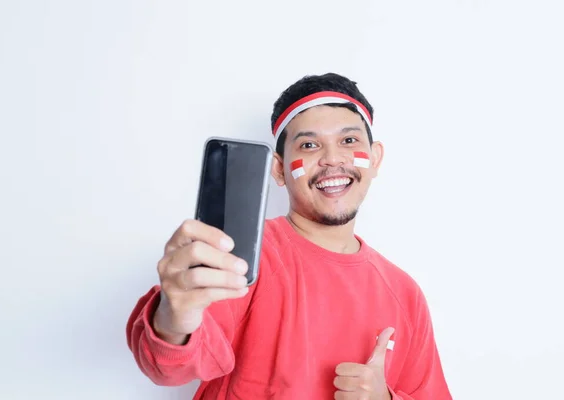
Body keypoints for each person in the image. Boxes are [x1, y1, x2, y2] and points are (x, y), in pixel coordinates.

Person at [126, 73, 453, 399]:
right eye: (309, 145)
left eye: (349, 141)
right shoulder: (240, 255)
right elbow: (171, 367)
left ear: (376, 158)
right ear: (279, 170)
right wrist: (174, 315)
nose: (332, 159)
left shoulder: (404, 293)